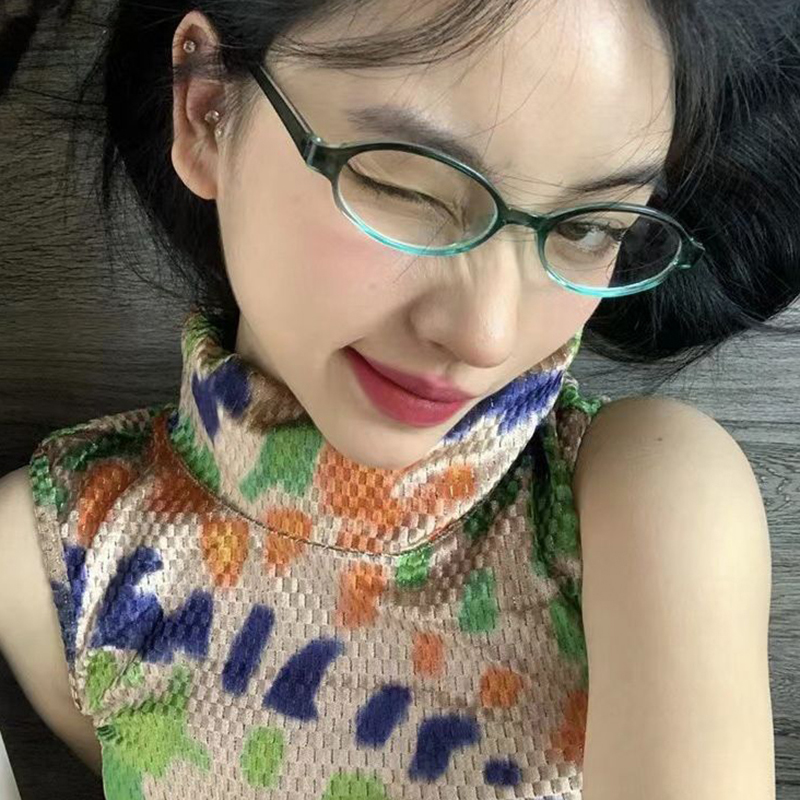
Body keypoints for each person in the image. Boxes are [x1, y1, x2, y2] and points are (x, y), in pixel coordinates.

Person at [1, 0, 798, 797]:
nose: (486, 335)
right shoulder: (58, 562)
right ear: (206, 106)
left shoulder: (643, 506)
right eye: (407, 184)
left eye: (588, 229)